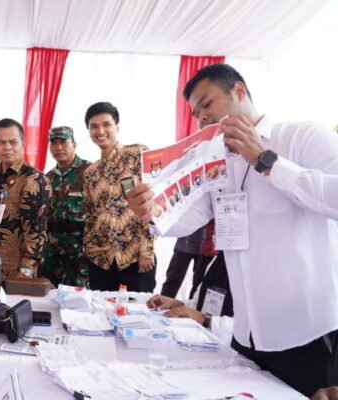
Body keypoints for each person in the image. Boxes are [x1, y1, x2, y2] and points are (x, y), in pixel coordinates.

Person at [126, 63, 338, 396]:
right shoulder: (220, 161)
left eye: (207, 104)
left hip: (306, 332)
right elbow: (193, 214)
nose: (203, 118)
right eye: (197, 114)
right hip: (246, 333)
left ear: (239, 91)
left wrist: (266, 161)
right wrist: (153, 212)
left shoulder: (302, 136)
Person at [82, 102, 156, 292]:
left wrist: (146, 250)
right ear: (89, 132)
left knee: (136, 308)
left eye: (106, 124)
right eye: (94, 126)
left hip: (134, 256)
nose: (100, 131)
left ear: (117, 127)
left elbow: (152, 204)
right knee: (101, 308)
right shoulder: (91, 172)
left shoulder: (138, 155)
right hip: (101, 259)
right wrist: (89, 249)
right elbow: (91, 215)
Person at [0, 118, 51, 278]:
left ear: (23, 144)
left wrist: (26, 271)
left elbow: (36, 232)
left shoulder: (34, 180)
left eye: (13, 142)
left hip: (17, 272)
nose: (7, 147)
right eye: (2, 142)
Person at [147, 252, 234, 345]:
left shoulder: (245, 269)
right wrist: (175, 303)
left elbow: (243, 330)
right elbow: (199, 305)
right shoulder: (218, 260)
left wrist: (204, 319)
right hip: (201, 338)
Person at [43, 126, 91, 287]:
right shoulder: (47, 178)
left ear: (74, 144)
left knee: (80, 300)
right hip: (53, 256)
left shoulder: (89, 172)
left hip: (80, 255)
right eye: (54, 143)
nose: (59, 147)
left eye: (64, 142)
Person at [161, 221, 215, 298]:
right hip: (185, 242)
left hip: (209, 246)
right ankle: (161, 304)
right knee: (172, 280)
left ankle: (194, 306)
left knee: (199, 286)